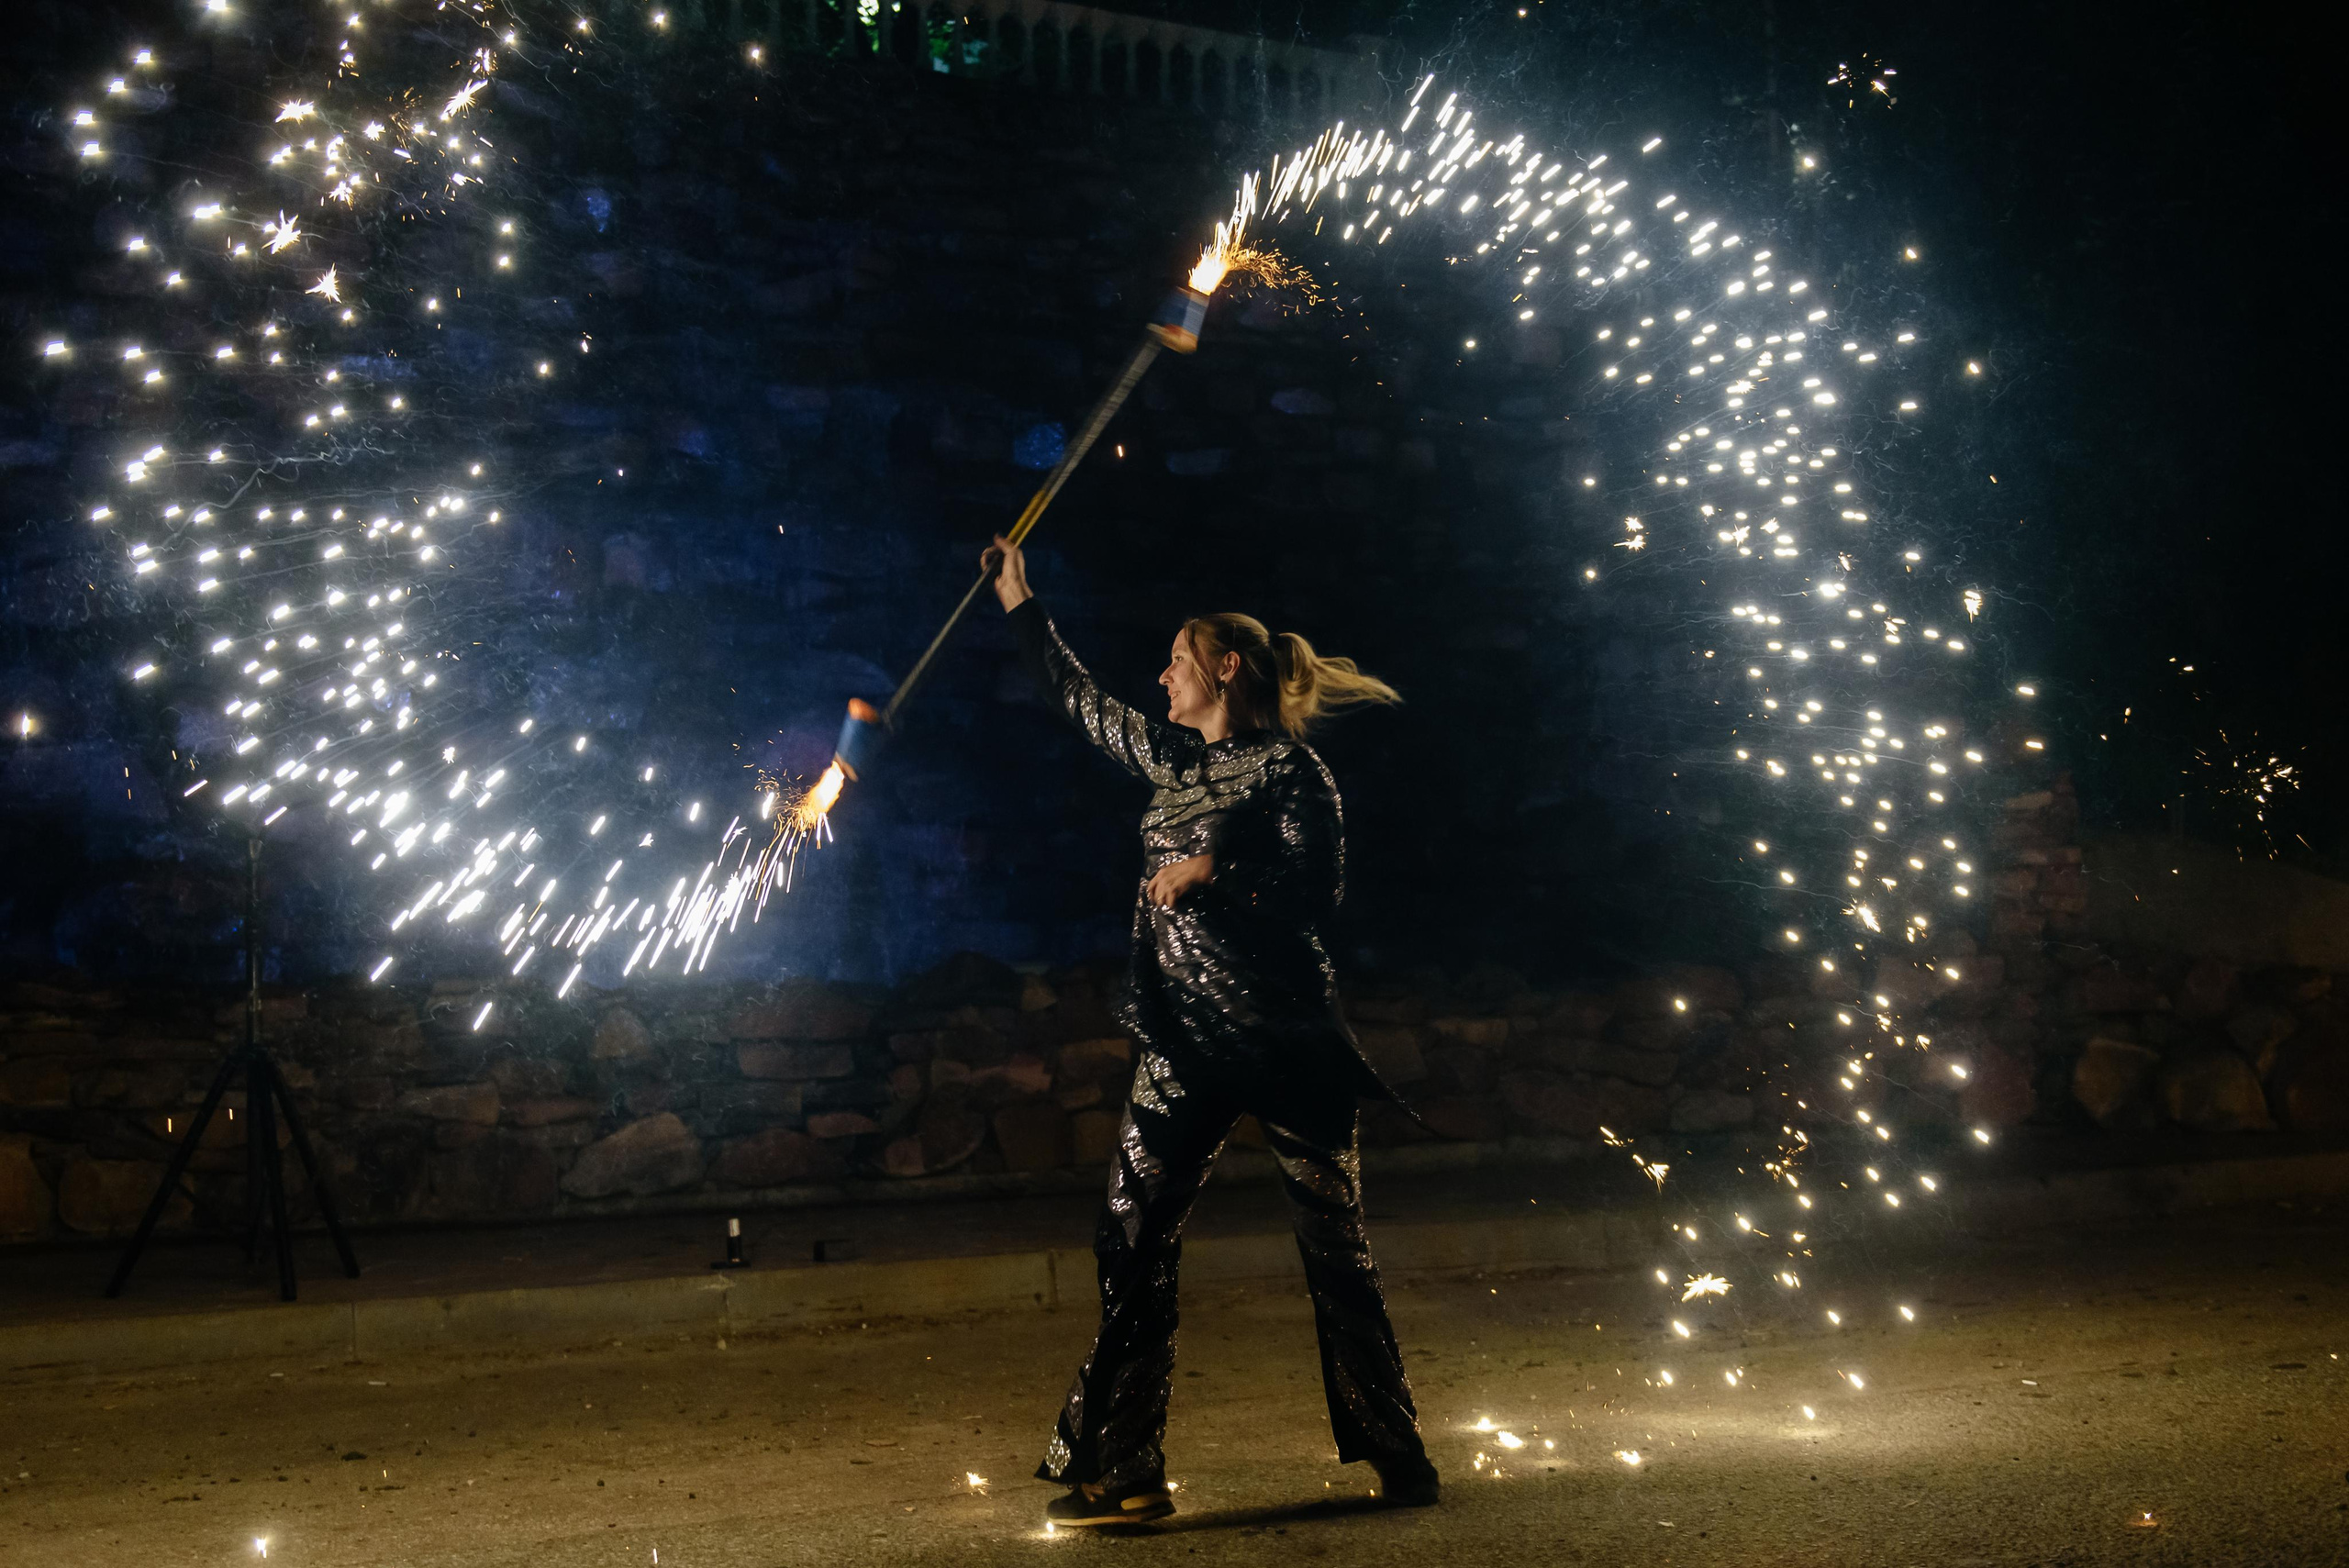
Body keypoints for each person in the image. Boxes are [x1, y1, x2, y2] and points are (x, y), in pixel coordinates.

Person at [983, 533, 1440, 1529]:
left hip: (1283, 1040)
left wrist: (1214, 873)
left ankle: (1398, 1449)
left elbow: (1317, 891)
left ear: (1225, 667)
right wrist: (1021, 600)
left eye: (1177, 660)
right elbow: (1083, 702)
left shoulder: (1292, 772)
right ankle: (1128, 1467)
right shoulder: (1175, 755)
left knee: (1335, 1248)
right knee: (1129, 1240)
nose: (1161, 675)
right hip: (1182, 1041)